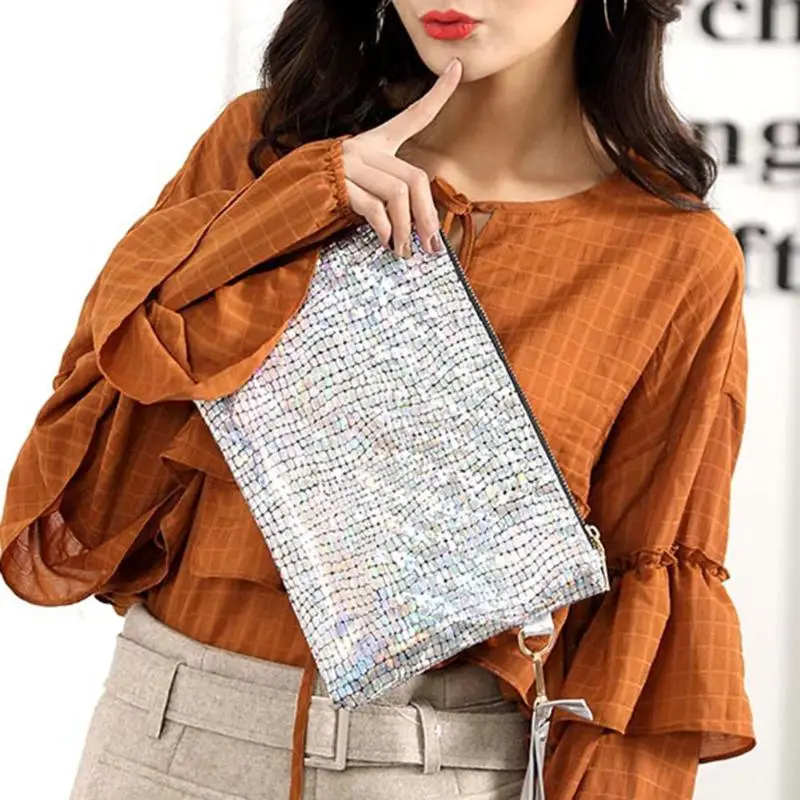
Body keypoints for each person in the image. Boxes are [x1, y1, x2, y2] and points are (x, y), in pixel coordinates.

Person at [0, 1, 755, 798]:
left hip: (446, 770)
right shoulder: (266, 148)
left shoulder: (672, 256)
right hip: (170, 745)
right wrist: (293, 208)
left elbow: (640, 615)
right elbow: (85, 484)